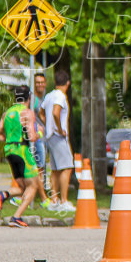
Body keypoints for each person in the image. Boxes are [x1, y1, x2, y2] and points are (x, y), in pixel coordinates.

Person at [0, 85, 43, 227]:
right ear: (29, 98)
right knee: (33, 185)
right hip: (22, 150)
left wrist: (9, 140)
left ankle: (3, 195)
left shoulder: (7, 113)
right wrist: (41, 133)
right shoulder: (27, 113)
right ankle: (16, 217)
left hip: (9, 151)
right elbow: (31, 137)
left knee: (22, 187)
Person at [42, 70, 75, 212]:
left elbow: (41, 112)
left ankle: (54, 200)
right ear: (68, 83)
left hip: (49, 136)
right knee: (67, 167)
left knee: (55, 170)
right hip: (58, 136)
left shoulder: (49, 95)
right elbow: (56, 112)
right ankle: (64, 200)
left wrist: (47, 124)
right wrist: (60, 129)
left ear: (55, 82)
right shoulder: (61, 96)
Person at [30, 73, 51, 207]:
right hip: (37, 139)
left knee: (41, 168)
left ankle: (31, 196)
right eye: (37, 82)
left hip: (45, 138)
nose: (40, 85)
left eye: (42, 82)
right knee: (39, 168)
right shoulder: (32, 100)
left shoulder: (45, 98)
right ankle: (43, 199)